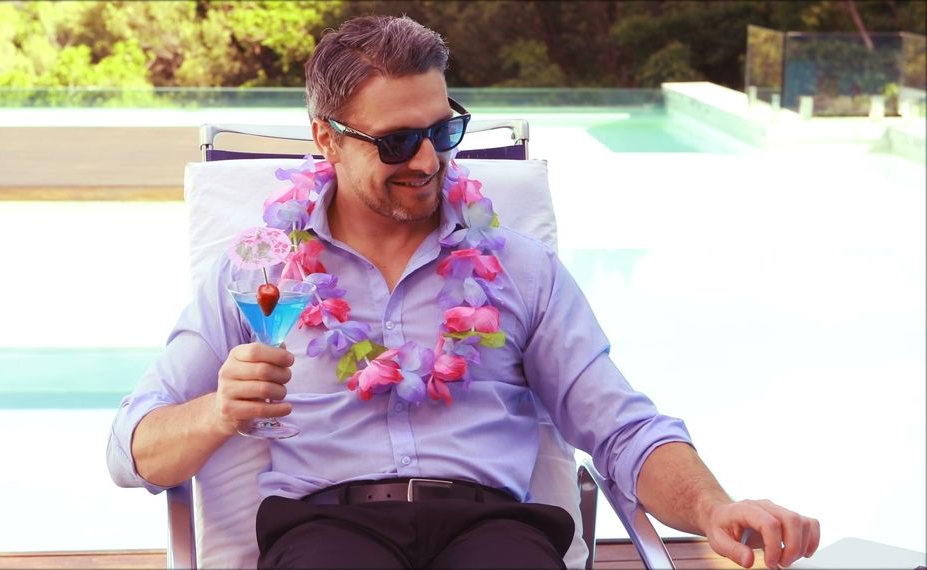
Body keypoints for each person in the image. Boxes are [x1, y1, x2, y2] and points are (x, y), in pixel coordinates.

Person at [108, 14, 819, 570]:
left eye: (443, 130)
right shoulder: (256, 273)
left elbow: (623, 427)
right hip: (327, 530)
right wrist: (216, 413)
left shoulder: (521, 268)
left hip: (495, 530)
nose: (427, 160)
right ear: (325, 139)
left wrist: (716, 506)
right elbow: (128, 449)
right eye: (395, 142)